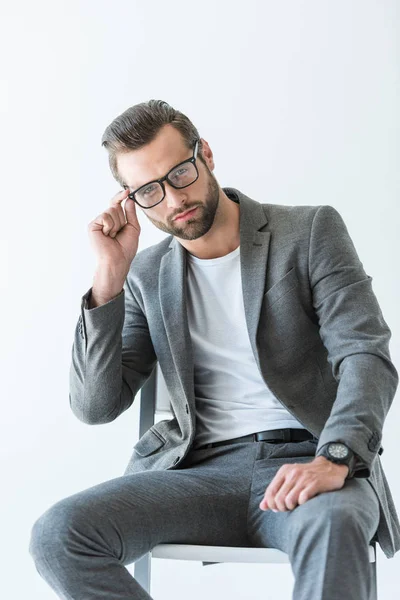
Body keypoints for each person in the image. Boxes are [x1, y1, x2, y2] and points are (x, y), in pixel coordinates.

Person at [29, 99, 399, 599]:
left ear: (204, 153)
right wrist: (108, 280)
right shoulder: (145, 276)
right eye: (149, 191)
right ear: (131, 199)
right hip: (195, 475)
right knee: (59, 536)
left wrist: (335, 455)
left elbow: (365, 354)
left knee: (336, 526)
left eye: (180, 171)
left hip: (307, 458)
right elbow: (95, 407)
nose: (172, 198)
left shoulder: (308, 232)